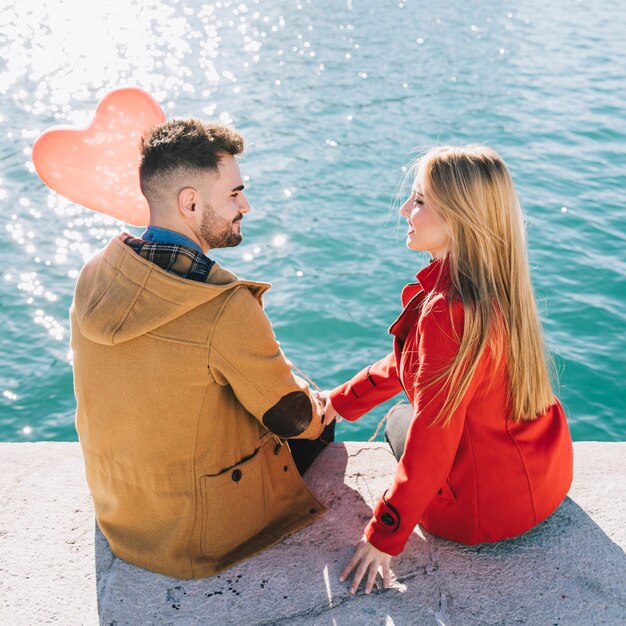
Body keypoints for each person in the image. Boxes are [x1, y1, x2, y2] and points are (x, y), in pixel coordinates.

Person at [71, 119, 334, 579]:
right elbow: (290, 418)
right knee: (318, 424)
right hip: (196, 537)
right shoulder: (225, 307)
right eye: (234, 194)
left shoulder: (97, 272)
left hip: (121, 512)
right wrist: (320, 411)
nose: (246, 206)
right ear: (190, 202)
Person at [318, 145, 573, 595]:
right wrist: (339, 402)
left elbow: (432, 440)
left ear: (458, 217)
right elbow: (410, 364)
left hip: (482, 514)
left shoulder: (445, 312)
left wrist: (385, 535)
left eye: (418, 200)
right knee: (413, 413)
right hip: (546, 479)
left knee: (402, 419)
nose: (404, 210)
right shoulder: (501, 282)